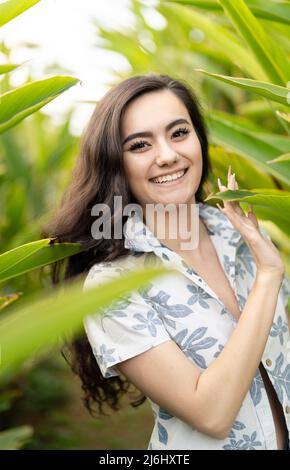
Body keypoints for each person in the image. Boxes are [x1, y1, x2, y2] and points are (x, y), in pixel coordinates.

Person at [43, 73, 290, 450]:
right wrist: (269, 276)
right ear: (116, 165)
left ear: (199, 140)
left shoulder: (240, 232)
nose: (168, 155)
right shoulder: (112, 284)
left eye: (179, 133)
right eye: (140, 144)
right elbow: (211, 413)